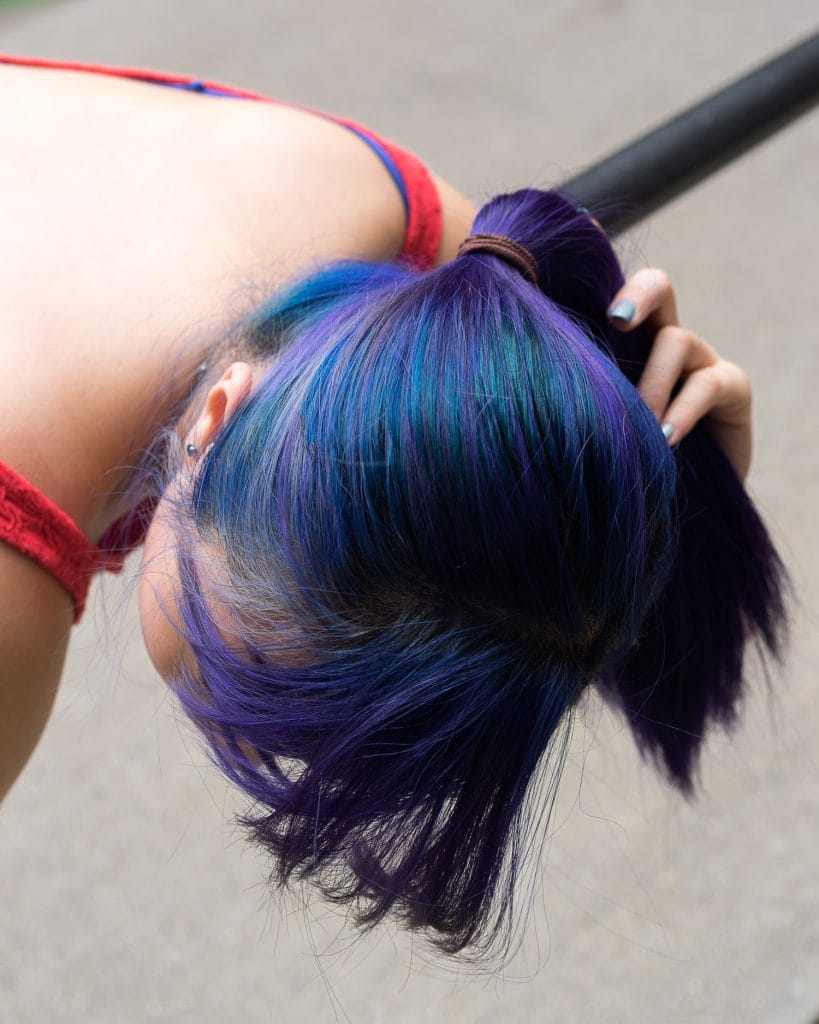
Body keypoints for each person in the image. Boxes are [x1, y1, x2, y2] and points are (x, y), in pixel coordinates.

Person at [0, 55, 788, 958]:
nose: (255, 733)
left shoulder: (444, 266)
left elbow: (490, 600)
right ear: (212, 421)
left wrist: (656, 518)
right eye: (235, 669)